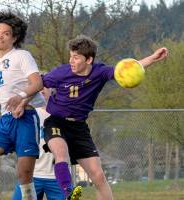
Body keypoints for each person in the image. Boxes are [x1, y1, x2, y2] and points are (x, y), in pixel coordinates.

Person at [41, 35, 168, 200]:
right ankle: (69, 194)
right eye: (70, 56)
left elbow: (127, 70)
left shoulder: (100, 71)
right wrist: (22, 100)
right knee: (61, 153)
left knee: (99, 176)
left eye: (76, 57)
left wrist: (152, 58)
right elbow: (37, 83)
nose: (71, 60)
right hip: (56, 122)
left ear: (89, 60)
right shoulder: (61, 72)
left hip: (79, 128)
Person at [0, 11, 44, 200]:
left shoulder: (22, 55)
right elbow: (1, 94)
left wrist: (20, 98)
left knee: (24, 175)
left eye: (5, 33)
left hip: (25, 118)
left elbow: (37, 83)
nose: (0, 36)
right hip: (6, 121)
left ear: (15, 37)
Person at [12, 88, 64, 200]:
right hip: (31, 175)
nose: (42, 90)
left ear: (54, 90)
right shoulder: (29, 114)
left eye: (46, 87)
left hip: (57, 177)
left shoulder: (64, 116)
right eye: (39, 88)